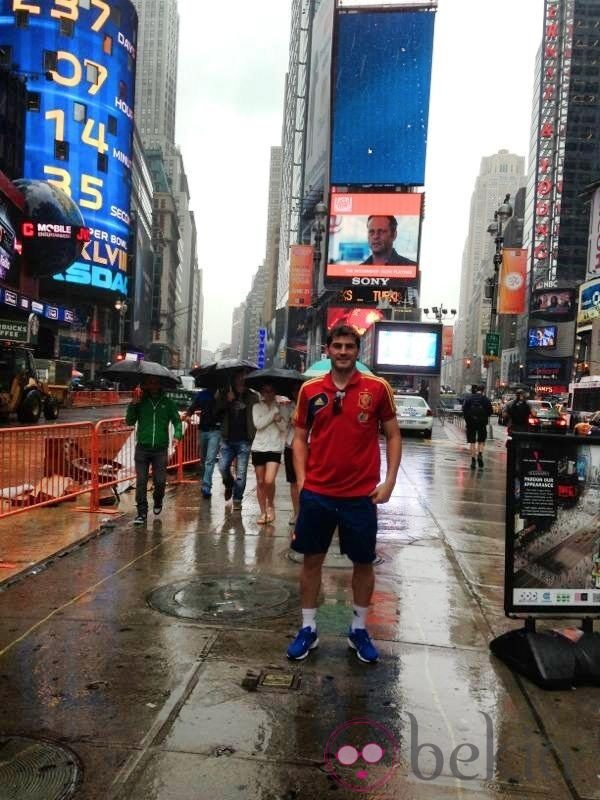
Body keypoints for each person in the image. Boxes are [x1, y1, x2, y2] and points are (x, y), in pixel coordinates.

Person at [287, 325, 402, 664]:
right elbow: (299, 437)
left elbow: (393, 435)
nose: (342, 351)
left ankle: (359, 629)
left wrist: (390, 482)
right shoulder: (309, 390)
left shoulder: (377, 388)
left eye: (349, 346)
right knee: (311, 561)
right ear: (327, 349)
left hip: (360, 496)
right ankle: (308, 629)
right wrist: (304, 481)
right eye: (337, 345)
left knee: (363, 563)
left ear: (358, 351)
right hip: (318, 494)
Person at [126, 376, 183, 525]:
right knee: (141, 481)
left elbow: (177, 421)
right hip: (142, 449)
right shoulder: (140, 401)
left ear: (160, 384)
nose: (152, 385)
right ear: (145, 384)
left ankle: (158, 500)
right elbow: (129, 421)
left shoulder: (168, 403)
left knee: (160, 481)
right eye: (149, 382)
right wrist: (133, 404)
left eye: (155, 382)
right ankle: (142, 512)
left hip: (160, 449)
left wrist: (177, 435)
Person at [218, 372, 257, 510]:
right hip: (227, 440)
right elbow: (216, 412)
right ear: (233, 379)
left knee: (241, 475)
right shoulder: (224, 393)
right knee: (222, 467)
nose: (241, 381)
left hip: (244, 441)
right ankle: (229, 484)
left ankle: (238, 499)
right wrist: (227, 402)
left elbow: (257, 416)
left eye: (244, 378)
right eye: (238, 377)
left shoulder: (253, 397)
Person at [251, 382, 287, 524]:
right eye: (265, 391)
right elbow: (258, 424)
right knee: (260, 482)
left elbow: (284, 427)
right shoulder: (256, 407)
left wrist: (278, 420)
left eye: (271, 391)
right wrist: (273, 414)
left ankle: (271, 504)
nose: (268, 394)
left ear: (275, 392)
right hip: (259, 447)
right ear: (261, 392)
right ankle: (263, 512)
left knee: (269, 480)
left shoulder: (281, 407)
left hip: (274, 447)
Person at [184, 388, 223, 498]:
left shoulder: (223, 394)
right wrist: (188, 415)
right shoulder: (203, 394)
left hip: (216, 430)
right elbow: (193, 406)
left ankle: (206, 487)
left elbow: (225, 410)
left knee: (209, 460)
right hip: (203, 430)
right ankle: (205, 481)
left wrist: (220, 400)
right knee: (203, 459)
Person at [282, 384, 301, 527]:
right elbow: (283, 425)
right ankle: (296, 513)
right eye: (295, 390)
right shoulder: (288, 406)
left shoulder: (312, 405)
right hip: (290, 445)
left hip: (308, 446)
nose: (297, 392)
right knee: (293, 481)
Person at [462, 384, 493, 470]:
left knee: (472, 442)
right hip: (482, 423)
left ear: (476, 390)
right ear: (483, 390)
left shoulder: (469, 398)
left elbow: (464, 409)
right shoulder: (486, 400)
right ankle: (480, 454)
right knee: (481, 440)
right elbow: (490, 412)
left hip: (471, 423)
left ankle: (473, 460)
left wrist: (468, 420)